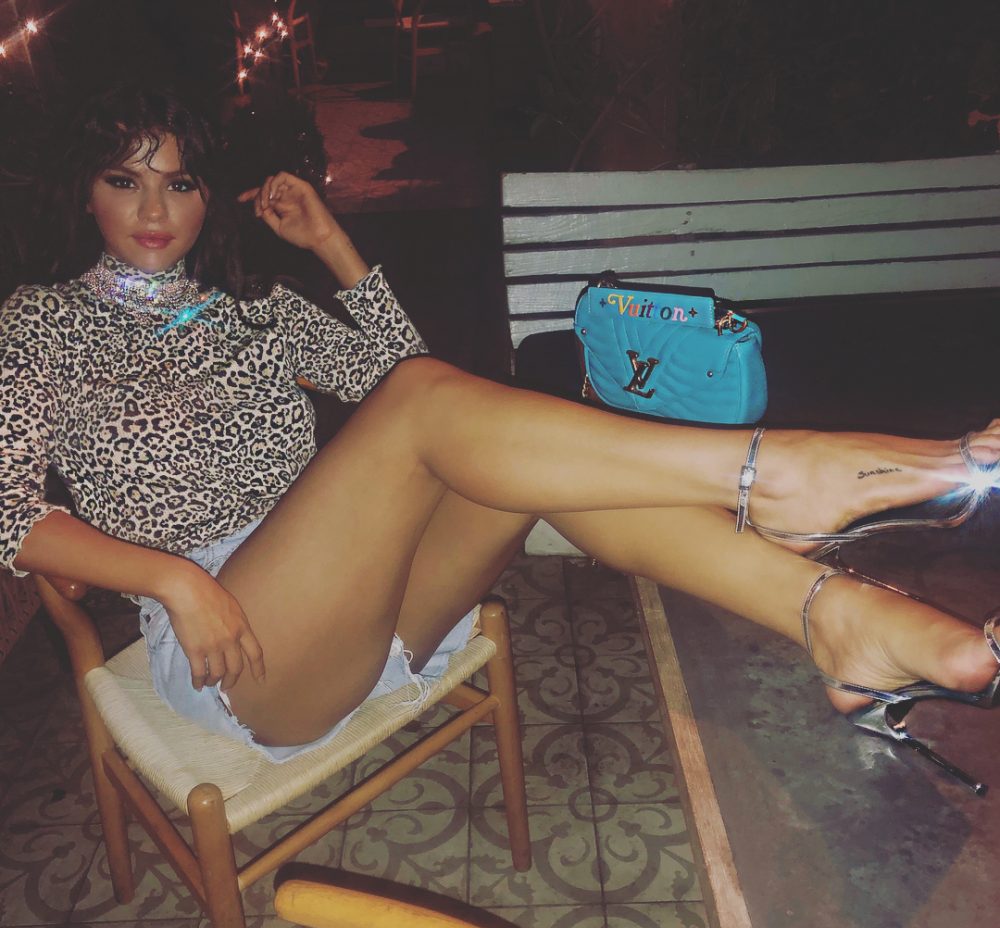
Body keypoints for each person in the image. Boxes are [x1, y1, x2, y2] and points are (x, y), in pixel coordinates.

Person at [3, 88, 1000, 777]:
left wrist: (331, 242)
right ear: (86, 189)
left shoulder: (255, 310)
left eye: (178, 182)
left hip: (364, 607)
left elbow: (423, 389)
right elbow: (9, 511)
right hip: (232, 649)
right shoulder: (40, 322)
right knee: (443, 417)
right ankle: (776, 474)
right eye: (126, 179)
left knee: (500, 450)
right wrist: (173, 581)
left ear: (205, 197)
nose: (154, 207)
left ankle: (834, 615)